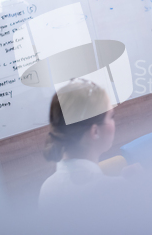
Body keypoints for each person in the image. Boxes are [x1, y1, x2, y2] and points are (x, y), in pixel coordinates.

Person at [38, 78, 117, 208]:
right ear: (95, 131)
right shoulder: (114, 190)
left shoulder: (47, 189)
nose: (114, 122)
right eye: (111, 117)